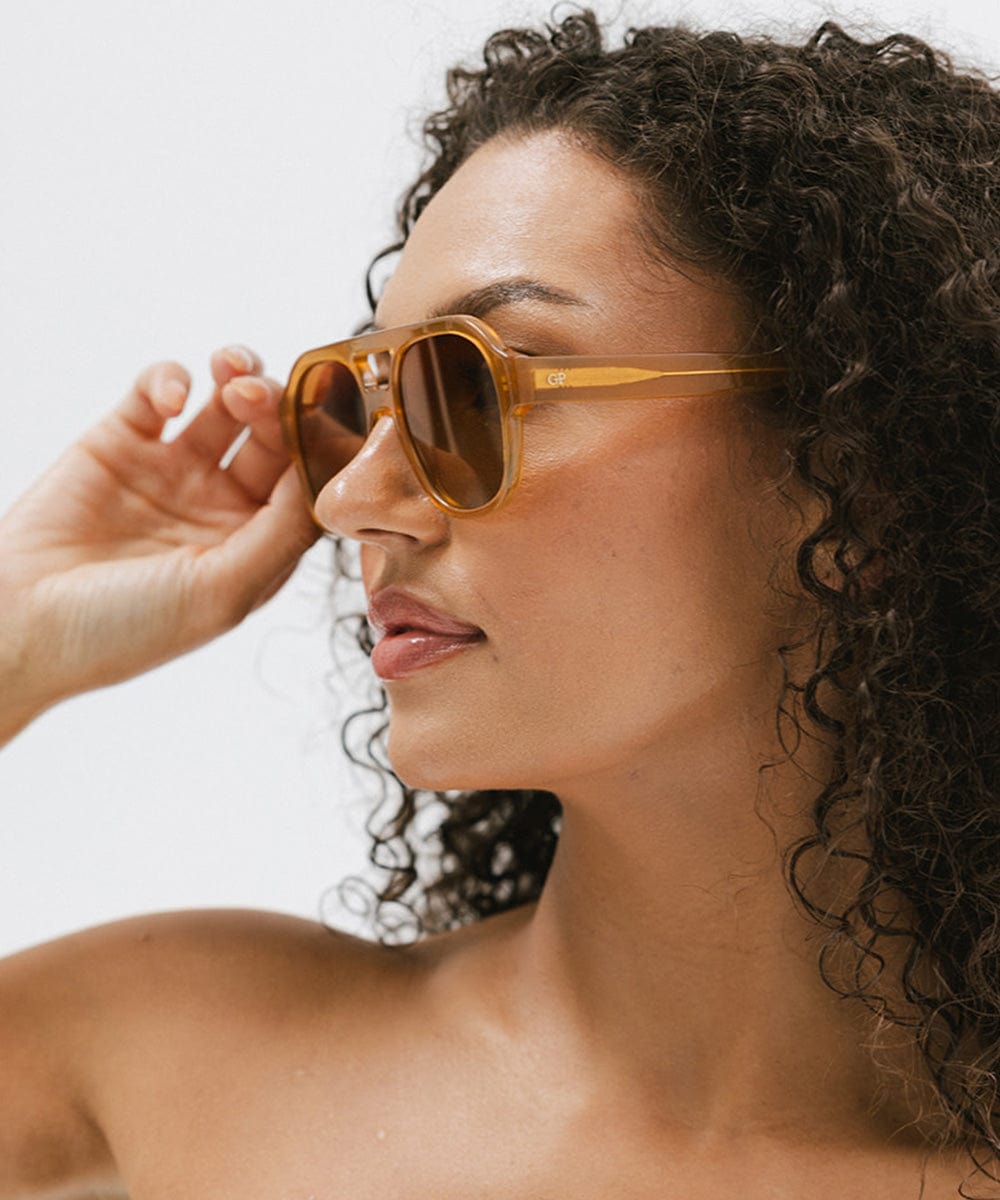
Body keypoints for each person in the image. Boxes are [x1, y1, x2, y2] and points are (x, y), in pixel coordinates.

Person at [0, 8, 997, 1197]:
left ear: (857, 469)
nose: (354, 502)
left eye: (473, 390)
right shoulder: (159, 1059)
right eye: (357, 400)